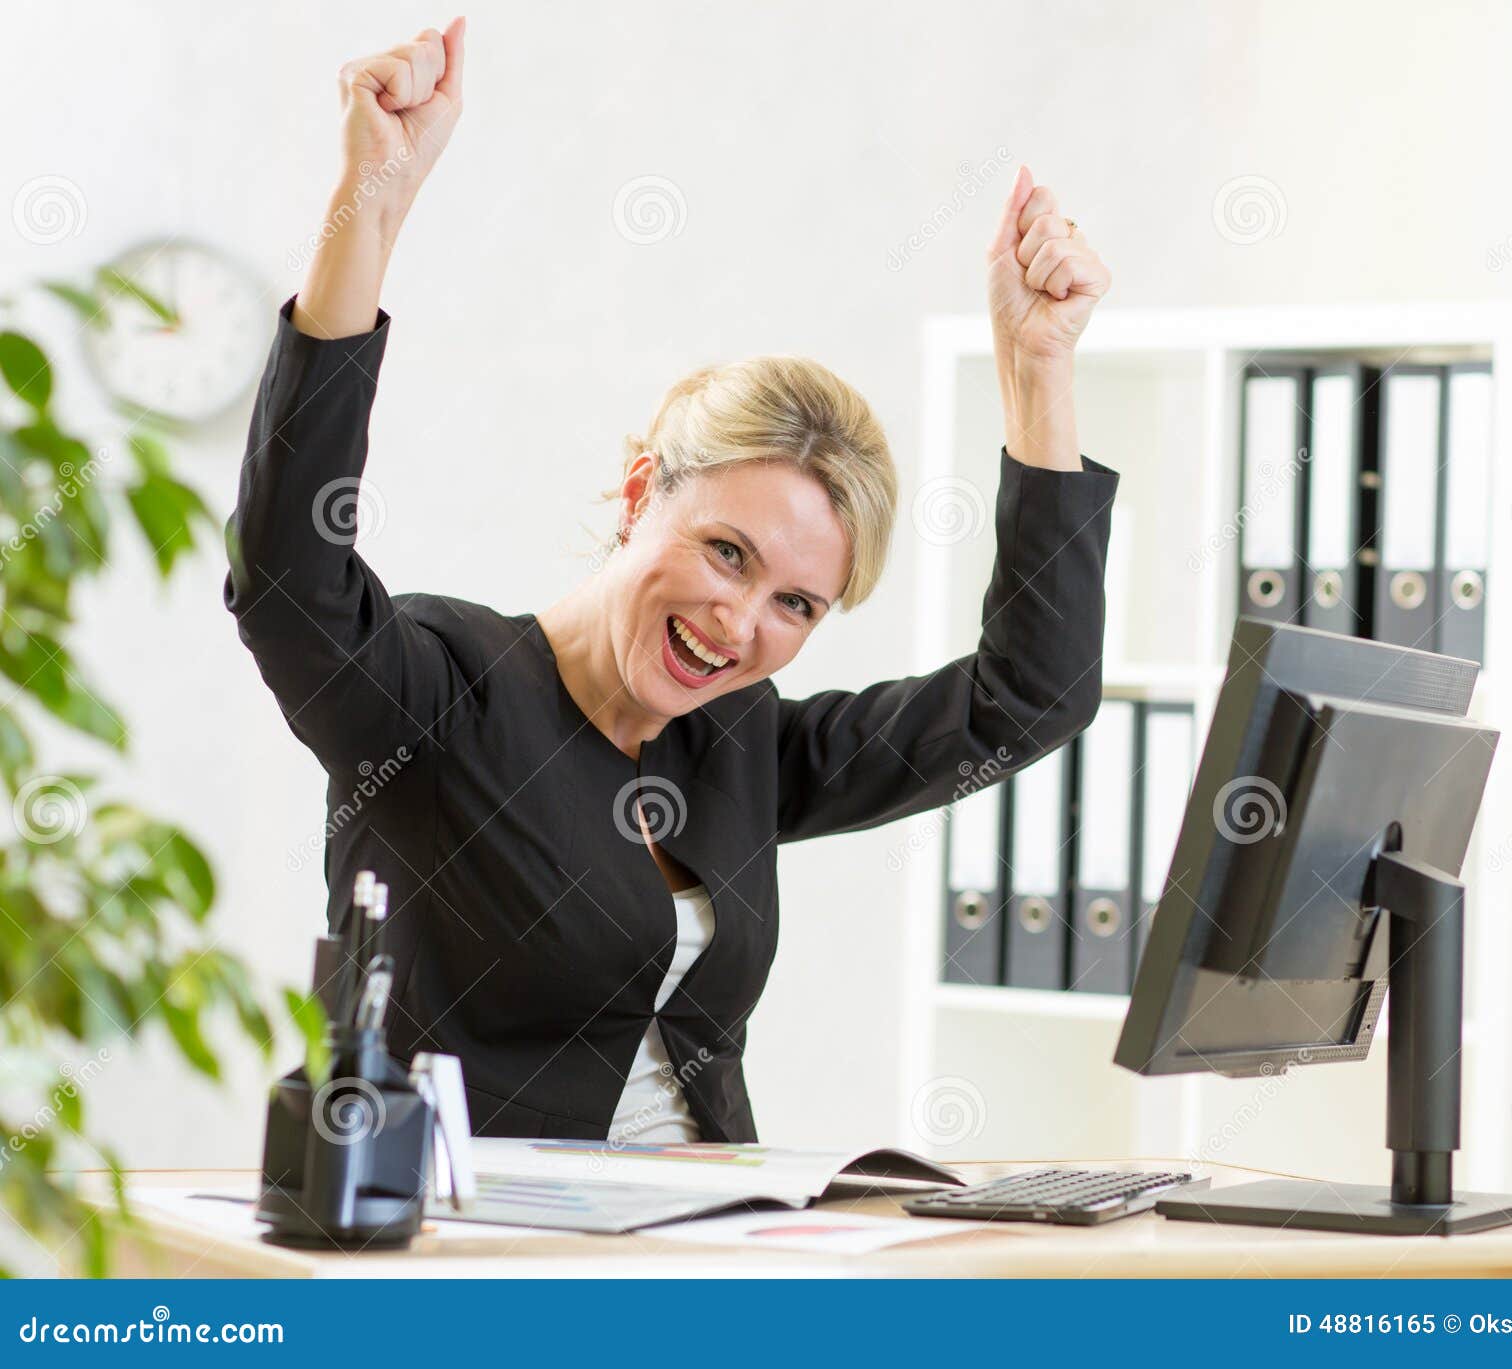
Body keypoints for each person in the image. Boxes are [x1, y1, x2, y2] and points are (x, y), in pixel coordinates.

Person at [224, 17, 1119, 1142]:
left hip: (714, 1238)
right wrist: (371, 202)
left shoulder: (737, 743)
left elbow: (1026, 700)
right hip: (486, 1258)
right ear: (643, 485)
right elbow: (287, 583)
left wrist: (1038, 376)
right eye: (727, 553)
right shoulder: (443, 693)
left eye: (797, 603)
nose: (739, 623)